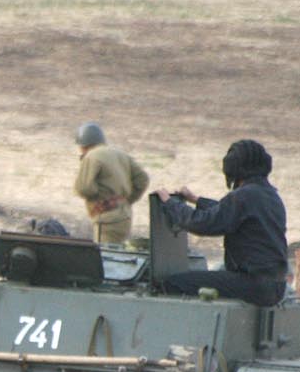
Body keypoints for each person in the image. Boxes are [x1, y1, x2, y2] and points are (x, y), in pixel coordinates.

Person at [154, 139, 288, 308]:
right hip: (274, 286)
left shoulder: (244, 196)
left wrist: (170, 204)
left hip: (253, 284)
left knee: (173, 284)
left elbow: (203, 223)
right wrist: (196, 200)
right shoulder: (270, 195)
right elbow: (228, 213)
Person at [72, 122, 149, 245]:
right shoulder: (120, 154)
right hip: (125, 217)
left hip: (106, 219)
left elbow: (84, 188)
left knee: (104, 254)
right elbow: (143, 179)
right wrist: (126, 200)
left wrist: (100, 194)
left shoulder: (91, 156)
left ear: (83, 145)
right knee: (118, 252)